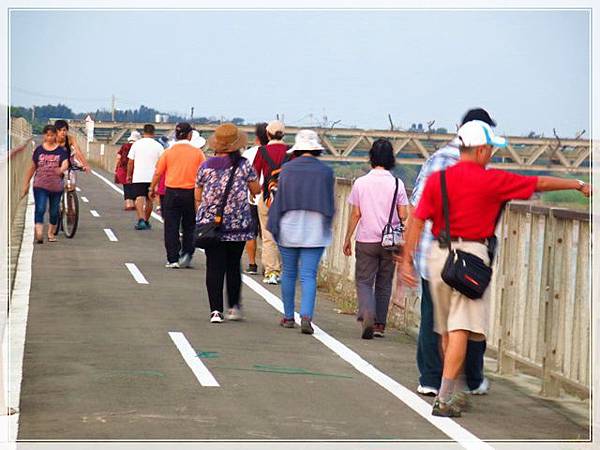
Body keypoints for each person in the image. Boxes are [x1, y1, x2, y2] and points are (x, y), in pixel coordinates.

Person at [400, 120, 591, 417]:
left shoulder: (439, 180)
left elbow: (417, 219)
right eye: (490, 150)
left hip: (438, 257)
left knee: (447, 331)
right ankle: (445, 398)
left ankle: (452, 387)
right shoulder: (492, 180)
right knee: (461, 329)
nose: (491, 155)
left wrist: (406, 259)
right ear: (482, 149)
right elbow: (539, 184)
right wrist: (577, 185)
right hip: (470, 258)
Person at [411, 108, 498, 398]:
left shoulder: (435, 160)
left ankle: (431, 379)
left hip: (432, 252)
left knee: (431, 316)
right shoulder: (483, 168)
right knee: (469, 318)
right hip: (470, 256)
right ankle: (472, 379)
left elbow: (417, 206)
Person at [267, 130, 335, 335]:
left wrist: (273, 224)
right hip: (315, 227)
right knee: (308, 275)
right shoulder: (326, 171)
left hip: (289, 225)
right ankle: (306, 316)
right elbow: (330, 204)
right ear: (316, 150)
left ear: (296, 151)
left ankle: (288, 317)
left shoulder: (287, 169)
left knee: (288, 272)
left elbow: (279, 200)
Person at [343, 139, 408, 339]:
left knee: (364, 280)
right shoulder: (398, 183)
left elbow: (356, 214)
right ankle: (379, 324)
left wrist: (347, 238)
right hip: (390, 242)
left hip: (366, 239)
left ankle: (367, 313)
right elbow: (404, 214)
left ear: (371, 157)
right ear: (391, 159)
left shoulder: (361, 183)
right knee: (384, 282)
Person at [196, 123, 260, 323]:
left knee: (214, 266)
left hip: (211, 225)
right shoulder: (243, 165)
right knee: (233, 265)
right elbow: (256, 190)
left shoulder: (206, 166)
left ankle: (215, 311)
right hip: (237, 225)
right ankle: (233, 307)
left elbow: (197, 193)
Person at [150, 123, 206, 268]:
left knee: (171, 226)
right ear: (190, 135)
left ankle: (172, 258)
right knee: (190, 226)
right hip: (191, 193)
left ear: (176, 134)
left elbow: (158, 172)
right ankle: (187, 253)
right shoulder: (197, 153)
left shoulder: (168, 152)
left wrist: (152, 188)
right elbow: (204, 174)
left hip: (172, 192)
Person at [252, 120, 289, 285]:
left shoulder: (262, 151)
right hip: (287, 200)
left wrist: (255, 192)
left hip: (267, 198)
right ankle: (284, 270)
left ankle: (272, 271)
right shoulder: (291, 152)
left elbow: (253, 174)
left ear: (267, 134)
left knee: (268, 237)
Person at [21, 125, 70, 243]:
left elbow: (65, 163)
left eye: (52, 135)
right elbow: (32, 167)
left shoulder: (61, 151)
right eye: (47, 135)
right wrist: (26, 183)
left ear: (55, 136)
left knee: (54, 212)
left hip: (56, 186)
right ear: (44, 136)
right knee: (40, 208)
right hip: (40, 185)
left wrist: (61, 169)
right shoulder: (39, 150)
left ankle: (51, 233)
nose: (49, 138)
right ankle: (39, 233)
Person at [242, 122, 269, 275]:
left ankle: (252, 264)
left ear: (257, 136)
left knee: (250, 233)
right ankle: (269, 265)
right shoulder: (275, 152)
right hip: (269, 198)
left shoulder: (248, 154)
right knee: (267, 233)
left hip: (251, 198)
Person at [127, 124, 164, 230]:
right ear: (154, 133)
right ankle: (146, 220)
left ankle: (141, 220)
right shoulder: (158, 146)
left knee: (139, 197)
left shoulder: (136, 144)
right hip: (153, 176)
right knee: (149, 199)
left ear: (143, 132)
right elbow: (162, 163)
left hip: (139, 175)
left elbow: (130, 162)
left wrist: (129, 175)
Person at [54, 119, 91, 190]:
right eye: (59, 130)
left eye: (64, 130)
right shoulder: (52, 139)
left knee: (72, 185)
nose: (62, 132)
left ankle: (70, 199)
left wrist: (85, 165)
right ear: (56, 131)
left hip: (67, 162)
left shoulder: (70, 139)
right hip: (55, 162)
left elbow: (78, 151)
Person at [114, 131, 141, 211]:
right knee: (134, 186)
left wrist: (116, 168)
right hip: (135, 168)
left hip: (123, 169)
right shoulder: (138, 147)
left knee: (126, 186)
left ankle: (128, 204)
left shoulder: (124, 146)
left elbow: (118, 157)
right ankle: (135, 203)